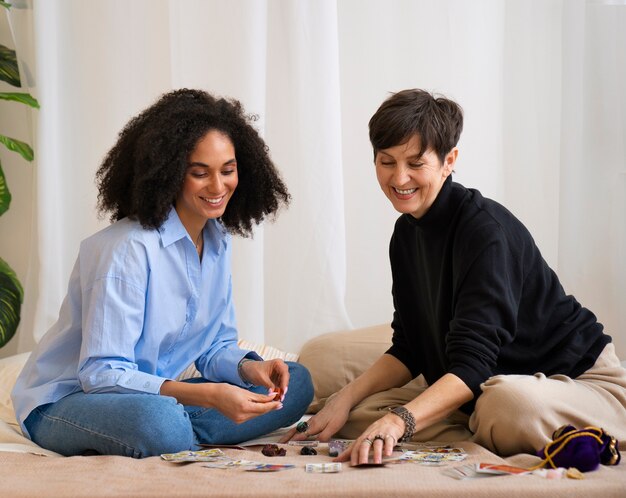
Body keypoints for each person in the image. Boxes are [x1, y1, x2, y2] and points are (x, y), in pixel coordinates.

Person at [284, 88, 626, 464]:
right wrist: (343, 398)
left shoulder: (485, 232)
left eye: (416, 163)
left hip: (578, 383)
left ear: (449, 161)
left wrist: (401, 422)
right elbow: (410, 347)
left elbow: (473, 363)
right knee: (357, 416)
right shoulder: (405, 235)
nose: (400, 178)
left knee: (504, 405)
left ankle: (483, 424)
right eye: (386, 162)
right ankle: (476, 426)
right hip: (480, 385)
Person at [11, 88, 313, 458]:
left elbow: (215, 346)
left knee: (296, 382)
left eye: (228, 171)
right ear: (170, 173)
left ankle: (179, 430)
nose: (218, 187)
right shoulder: (126, 250)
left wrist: (252, 371)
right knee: (161, 422)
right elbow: (102, 375)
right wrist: (208, 395)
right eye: (199, 173)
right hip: (69, 401)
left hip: (150, 398)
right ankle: (176, 430)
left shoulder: (216, 240)